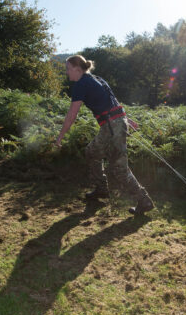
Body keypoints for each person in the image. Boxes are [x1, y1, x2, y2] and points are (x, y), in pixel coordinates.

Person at [56, 55, 154, 215]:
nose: (67, 73)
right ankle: (101, 189)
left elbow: (72, 114)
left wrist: (60, 136)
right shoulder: (97, 79)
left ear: (77, 69)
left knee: (119, 168)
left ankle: (144, 200)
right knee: (92, 152)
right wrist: (125, 119)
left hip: (111, 126)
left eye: (68, 69)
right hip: (115, 123)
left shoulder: (81, 84)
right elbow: (112, 102)